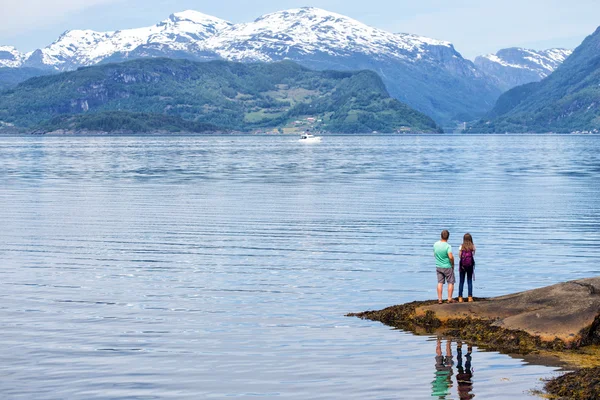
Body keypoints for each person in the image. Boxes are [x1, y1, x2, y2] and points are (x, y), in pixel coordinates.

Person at [434, 230, 455, 304]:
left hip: (438, 266)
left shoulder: (435, 244)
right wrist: (452, 263)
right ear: (448, 237)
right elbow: (450, 256)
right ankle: (449, 298)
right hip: (447, 266)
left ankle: (440, 299)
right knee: (450, 282)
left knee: (440, 282)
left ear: (441, 236)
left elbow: (435, 254)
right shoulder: (448, 246)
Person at [458, 233, 476, 303]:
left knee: (461, 281)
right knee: (469, 280)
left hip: (462, 266)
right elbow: (473, 255)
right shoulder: (473, 247)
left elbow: (459, 256)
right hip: (470, 266)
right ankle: (470, 297)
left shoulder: (461, 247)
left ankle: (460, 297)